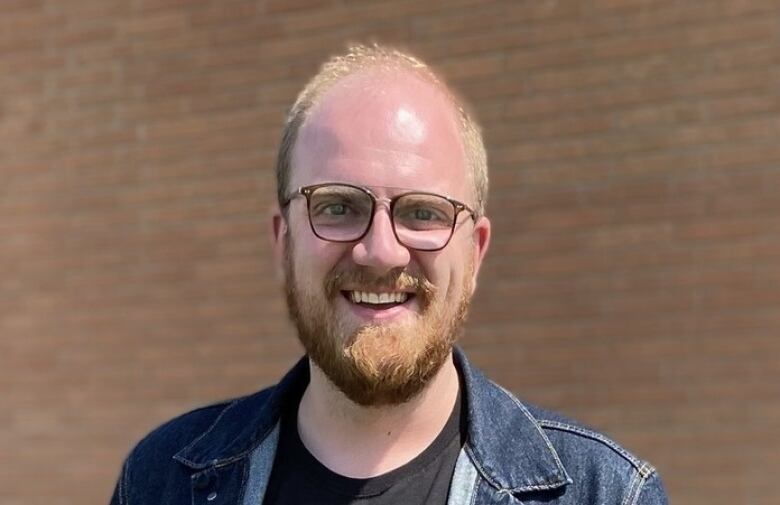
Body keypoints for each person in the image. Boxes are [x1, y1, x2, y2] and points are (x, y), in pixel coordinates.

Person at [110, 44, 668, 505]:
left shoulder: (610, 494)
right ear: (284, 241)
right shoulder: (161, 482)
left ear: (474, 253)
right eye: (336, 206)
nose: (381, 252)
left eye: (422, 212)